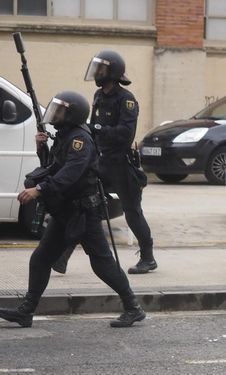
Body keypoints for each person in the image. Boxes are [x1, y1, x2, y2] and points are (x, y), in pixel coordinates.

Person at [0, 91, 146, 328]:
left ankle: (133, 307)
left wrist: (39, 190)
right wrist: (41, 148)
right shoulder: (64, 136)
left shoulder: (80, 140)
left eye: (60, 111)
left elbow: (69, 175)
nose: (55, 114)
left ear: (72, 114)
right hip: (66, 212)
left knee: (102, 264)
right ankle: (26, 311)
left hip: (84, 214)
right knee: (41, 259)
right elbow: (53, 167)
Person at [56, 50, 156, 275]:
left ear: (113, 73)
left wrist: (98, 129)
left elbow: (125, 133)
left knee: (132, 211)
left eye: (102, 70)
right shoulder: (99, 96)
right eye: (97, 69)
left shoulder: (126, 99)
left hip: (121, 165)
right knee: (82, 205)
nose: (98, 74)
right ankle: (63, 255)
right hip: (100, 161)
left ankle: (148, 257)